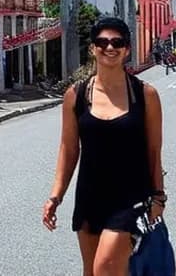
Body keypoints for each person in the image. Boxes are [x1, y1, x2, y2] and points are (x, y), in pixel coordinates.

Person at [43, 16, 165, 276]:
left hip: (131, 198)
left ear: (127, 49)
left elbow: (154, 151)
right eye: (102, 42)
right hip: (90, 197)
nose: (109, 48)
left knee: (105, 268)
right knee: (92, 271)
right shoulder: (76, 96)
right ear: (92, 48)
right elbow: (68, 149)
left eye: (117, 42)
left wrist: (158, 196)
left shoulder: (146, 95)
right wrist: (56, 196)